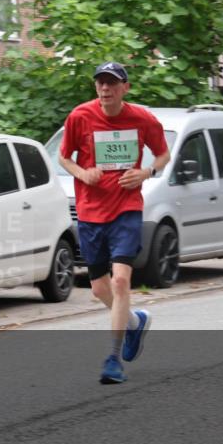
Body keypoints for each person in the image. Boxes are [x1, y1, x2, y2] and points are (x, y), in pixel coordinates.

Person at [58, 61, 170, 384]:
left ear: (125, 87)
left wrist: (146, 172)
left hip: (126, 208)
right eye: (100, 83)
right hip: (91, 211)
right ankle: (135, 323)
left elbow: (163, 154)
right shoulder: (80, 116)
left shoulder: (142, 118)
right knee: (98, 288)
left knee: (121, 281)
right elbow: (64, 157)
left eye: (112, 83)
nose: (105, 89)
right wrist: (83, 173)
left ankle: (113, 358)